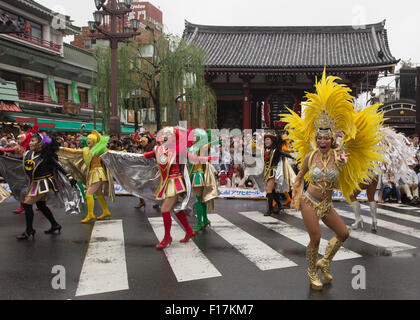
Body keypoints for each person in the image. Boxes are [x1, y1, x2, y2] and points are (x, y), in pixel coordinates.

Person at [282, 70, 384, 290]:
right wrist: (296, 196)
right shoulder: (310, 157)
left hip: (327, 205)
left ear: (331, 139)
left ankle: (325, 261)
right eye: (318, 137)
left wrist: (346, 164)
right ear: (315, 139)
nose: (322, 140)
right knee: (316, 238)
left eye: (326, 137)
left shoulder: (339, 158)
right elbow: (299, 177)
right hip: (310, 202)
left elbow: (343, 177)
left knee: (343, 233)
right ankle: (311, 272)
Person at [7, 133, 78, 240]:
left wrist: (69, 176)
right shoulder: (28, 154)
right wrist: (5, 156)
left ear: (40, 144)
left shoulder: (46, 156)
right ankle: (55, 225)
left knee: (27, 204)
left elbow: (57, 165)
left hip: (43, 183)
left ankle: (29, 230)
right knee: (41, 205)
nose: (30, 143)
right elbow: (19, 160)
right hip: (34, 182)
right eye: (30, 141)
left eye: (33, 141)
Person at [58, 130, 115, 223]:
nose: (88, 141)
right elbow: (74, 152)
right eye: (88, 139)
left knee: (88, 194)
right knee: (98, 194)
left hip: (98, 174)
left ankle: (90, 214)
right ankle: (106, 211)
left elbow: (113, 153)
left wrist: (124, 152)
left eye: (90, 140)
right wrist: (61, 149)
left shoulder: (100, 149)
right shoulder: (86, 150)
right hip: (93, 174)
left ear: (95, 141)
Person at [187, 129, 218, 233]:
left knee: (198, 200)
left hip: (198, 175)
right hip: (196, 174)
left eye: (195, 136)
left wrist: (214, 139)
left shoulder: (200, 147)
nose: (193, 137)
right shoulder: (192, 148)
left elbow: (210, 143)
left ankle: (199, 223)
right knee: (201, 199)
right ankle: (204, 219)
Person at [263, 130, 294, 216]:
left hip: (274, 172)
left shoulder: (275, 150)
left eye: (268, 139)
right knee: (273, 191)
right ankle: (280, 206)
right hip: (268, 172)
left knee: (268, 190)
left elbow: (283, 153)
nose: (266, 141)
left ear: (272, 140)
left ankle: (270, 210)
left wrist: (292, 157)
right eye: (265, 139)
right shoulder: (266, 150)